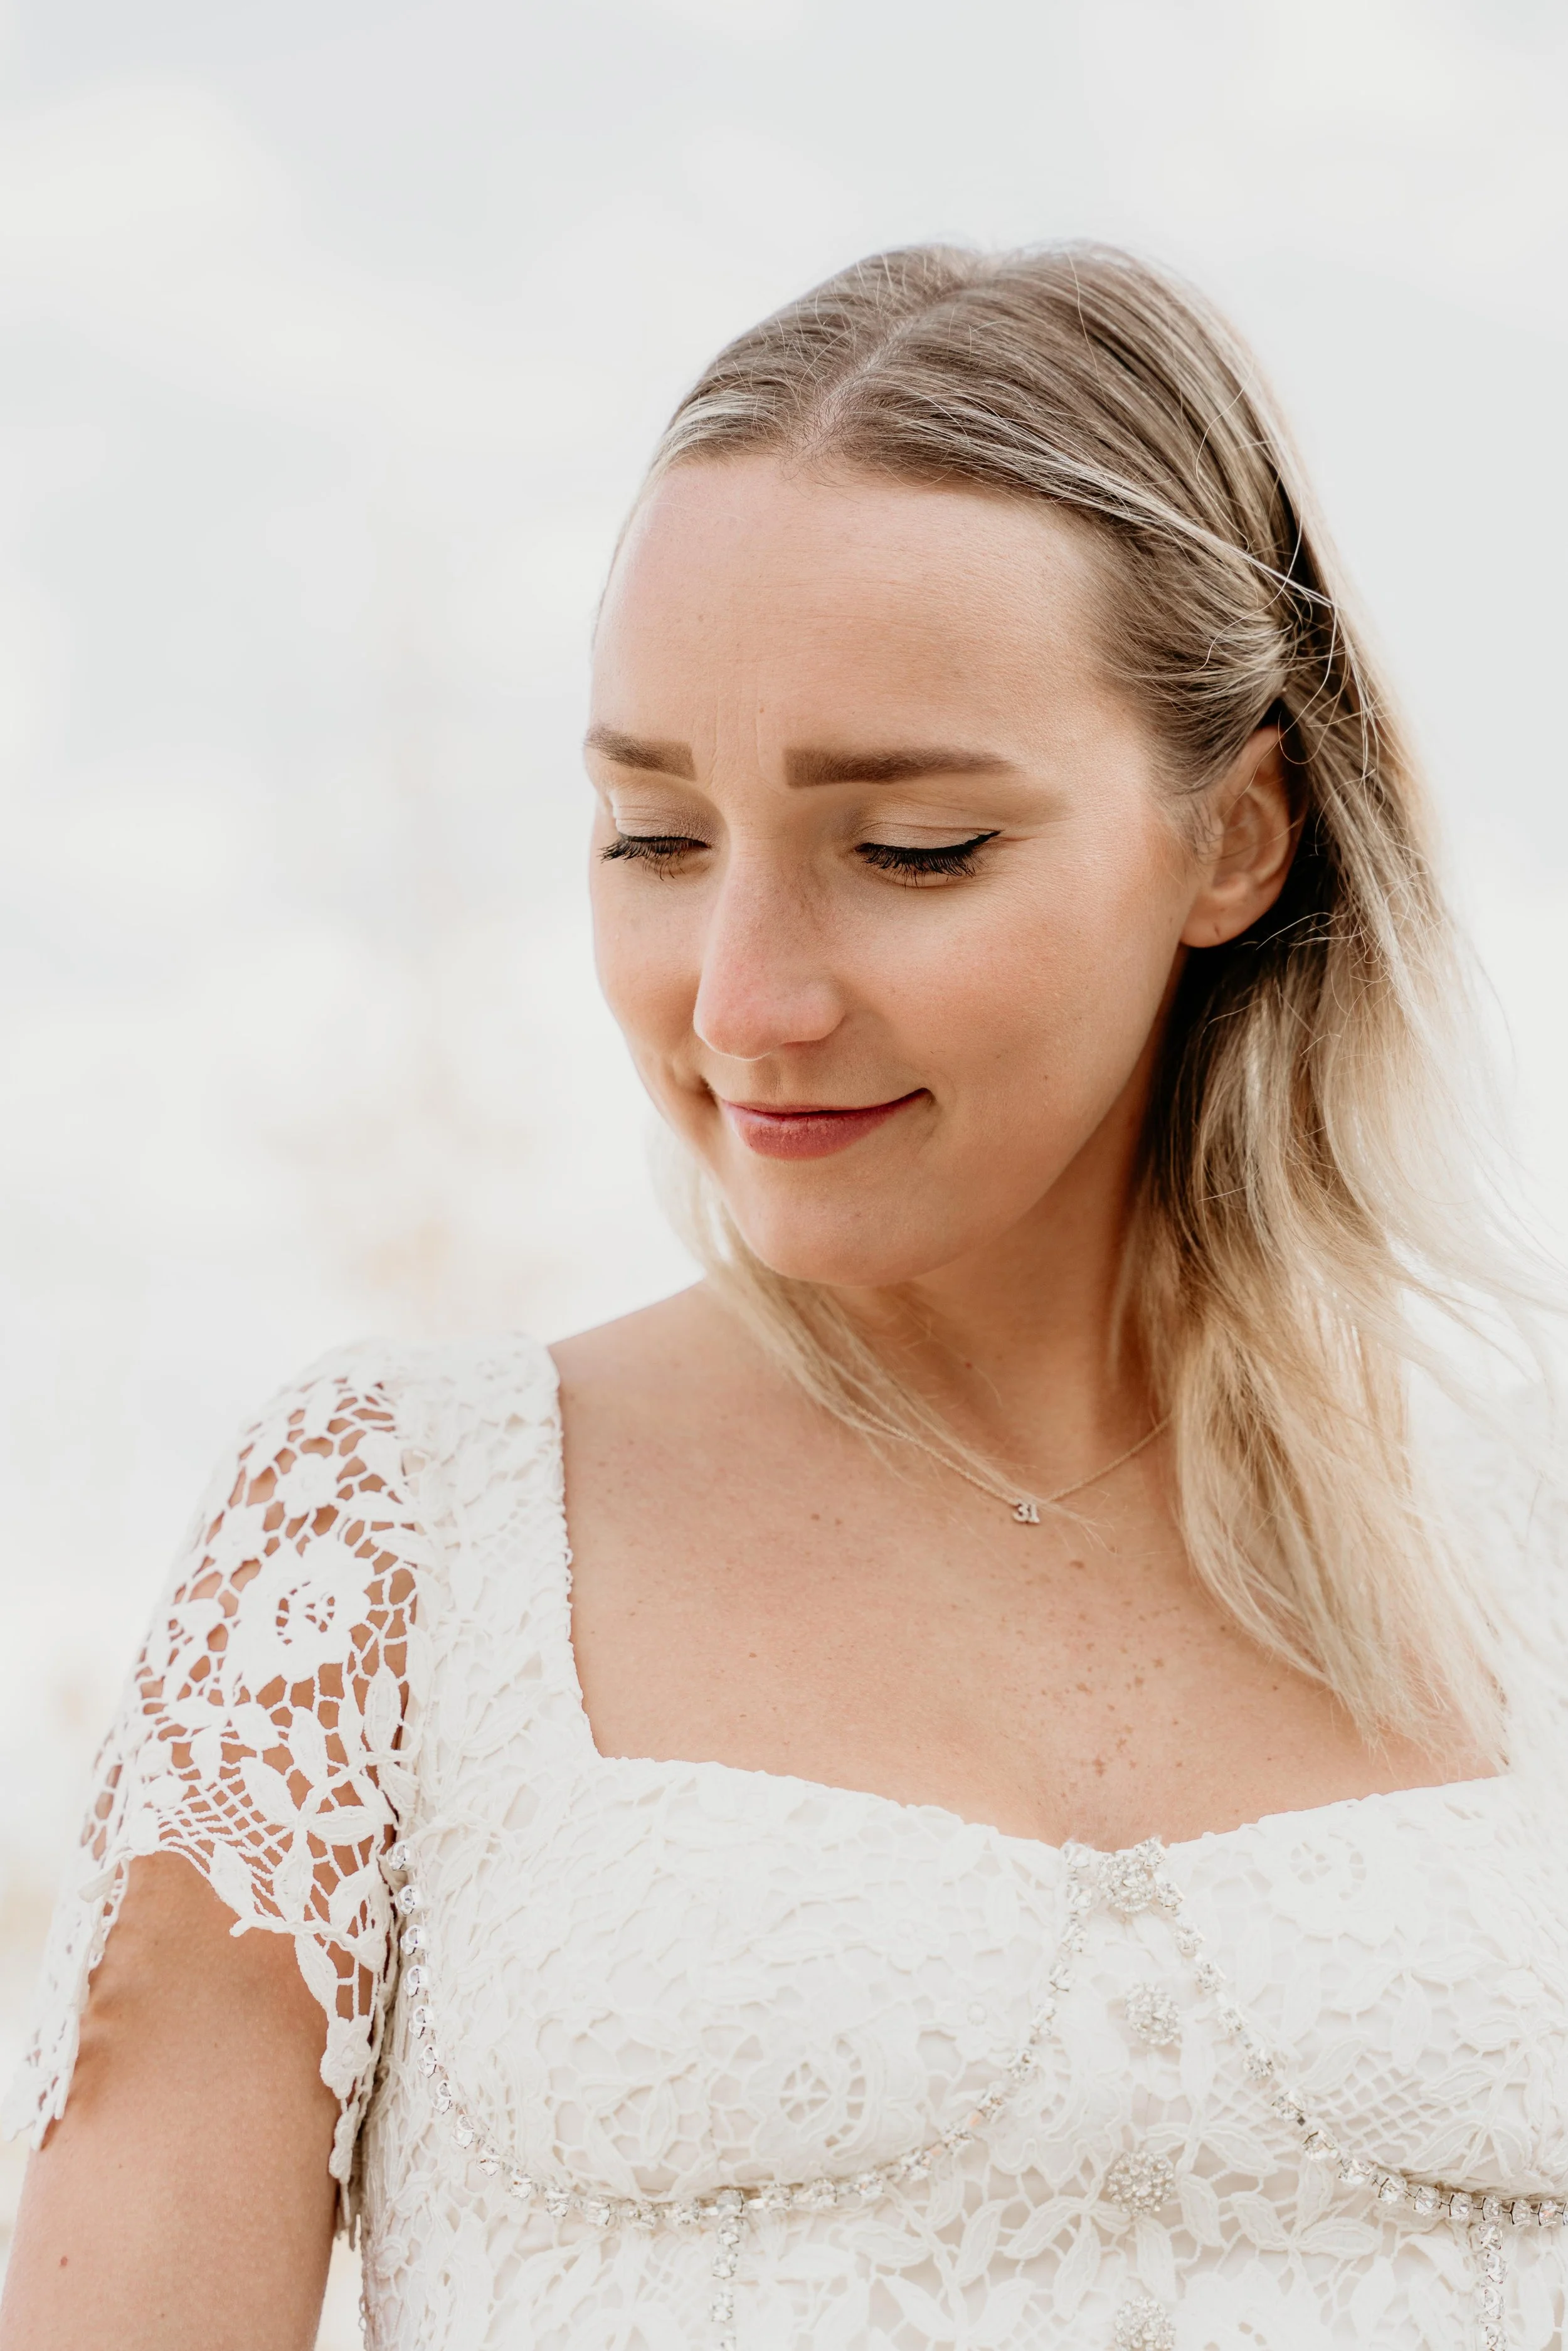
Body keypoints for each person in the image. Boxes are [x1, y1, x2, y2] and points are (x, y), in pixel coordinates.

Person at [3, 242, 1565, 2351]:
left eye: (909, 846)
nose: (742, 999)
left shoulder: (1534, 1537)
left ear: (1238, 837)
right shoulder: (390, 1543)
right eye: (653, 836)